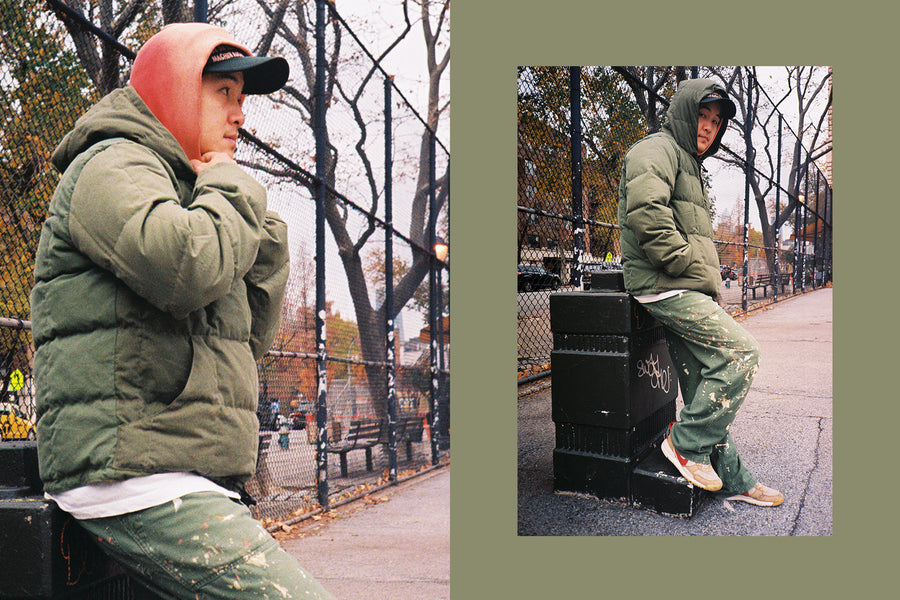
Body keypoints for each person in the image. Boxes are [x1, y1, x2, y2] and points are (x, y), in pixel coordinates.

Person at [30, 23, 335, 598]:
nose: (240, 114)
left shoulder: (192, 189)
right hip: (131, 470)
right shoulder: (111, 166)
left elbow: (248, 339)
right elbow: (186, 267)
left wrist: (259, 230)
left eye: (242, 99)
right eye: (224, 93)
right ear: (174, 88)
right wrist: (229, 187)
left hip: (176, 466)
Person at [617, 78, 784, 507]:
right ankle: (686, 445)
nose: (708, 128)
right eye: (703, 117)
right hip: (664, 286)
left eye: (716, 122)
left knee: (703, 387)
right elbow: (646, 213)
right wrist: (685, 266)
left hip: (677, 287)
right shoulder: (656, 149)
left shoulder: (688, 164)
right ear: (685, 113)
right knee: (741, 353)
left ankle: (734, 479)